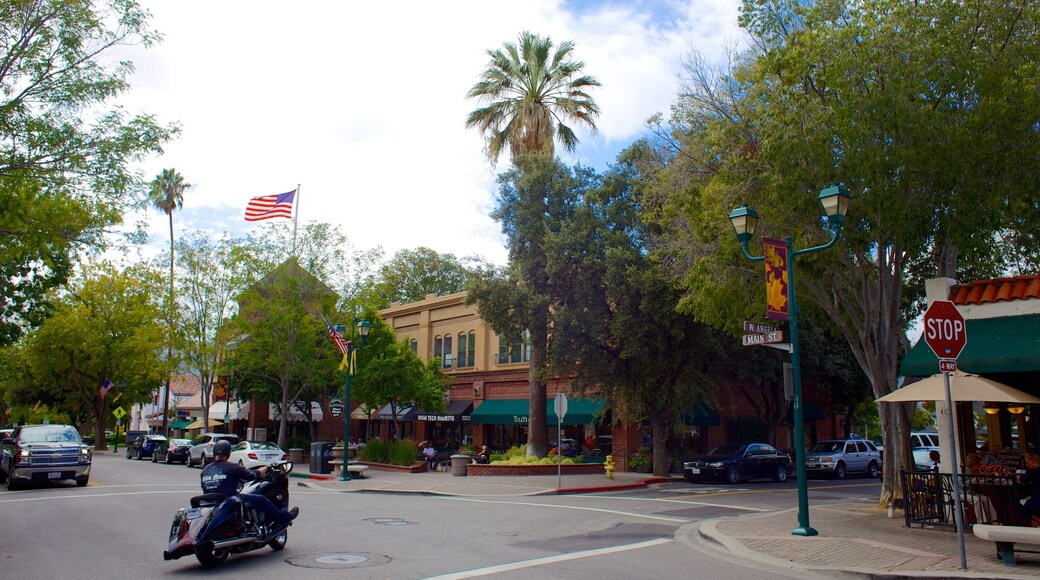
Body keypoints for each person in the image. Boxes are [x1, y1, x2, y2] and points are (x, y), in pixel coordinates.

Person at [200, 440, 299, 529]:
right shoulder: (232, 467)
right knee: (261, 500)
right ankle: (284, 518)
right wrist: (266, 468)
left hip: (210, 502)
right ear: (228, 453)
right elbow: (253, 475)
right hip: (229, 501)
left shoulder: (205, 470)